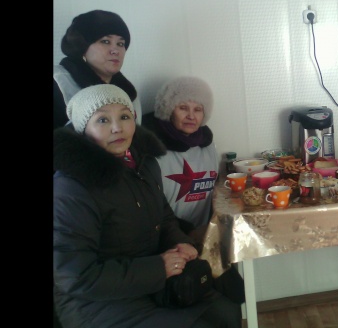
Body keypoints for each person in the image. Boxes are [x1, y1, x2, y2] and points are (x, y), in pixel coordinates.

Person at [53, 84, 241, 328]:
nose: (117, 128)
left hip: (152, 283)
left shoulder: (144, 163)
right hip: (96, 303)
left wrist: (180, 243)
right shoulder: (71, 187)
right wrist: (158, 268)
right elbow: (75, 276)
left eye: (124, 116)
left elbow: (164, 218)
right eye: (102, 120)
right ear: (83, 128)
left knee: (227, 311)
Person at [141, 76, 245, 305]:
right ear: (168, 109)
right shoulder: (150, 151)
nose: (191, 115)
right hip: (170, 243)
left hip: (205, 238)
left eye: (198, 109)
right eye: (183, 108)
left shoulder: (207, 145)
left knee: (237, 294)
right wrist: (186, 234)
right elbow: (151, 210)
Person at [54, 10, 142, 130]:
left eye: (120, 44)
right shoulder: (59, 82)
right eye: (105, 41)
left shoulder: (128, 92)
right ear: (82, 47)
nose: (115, 50)